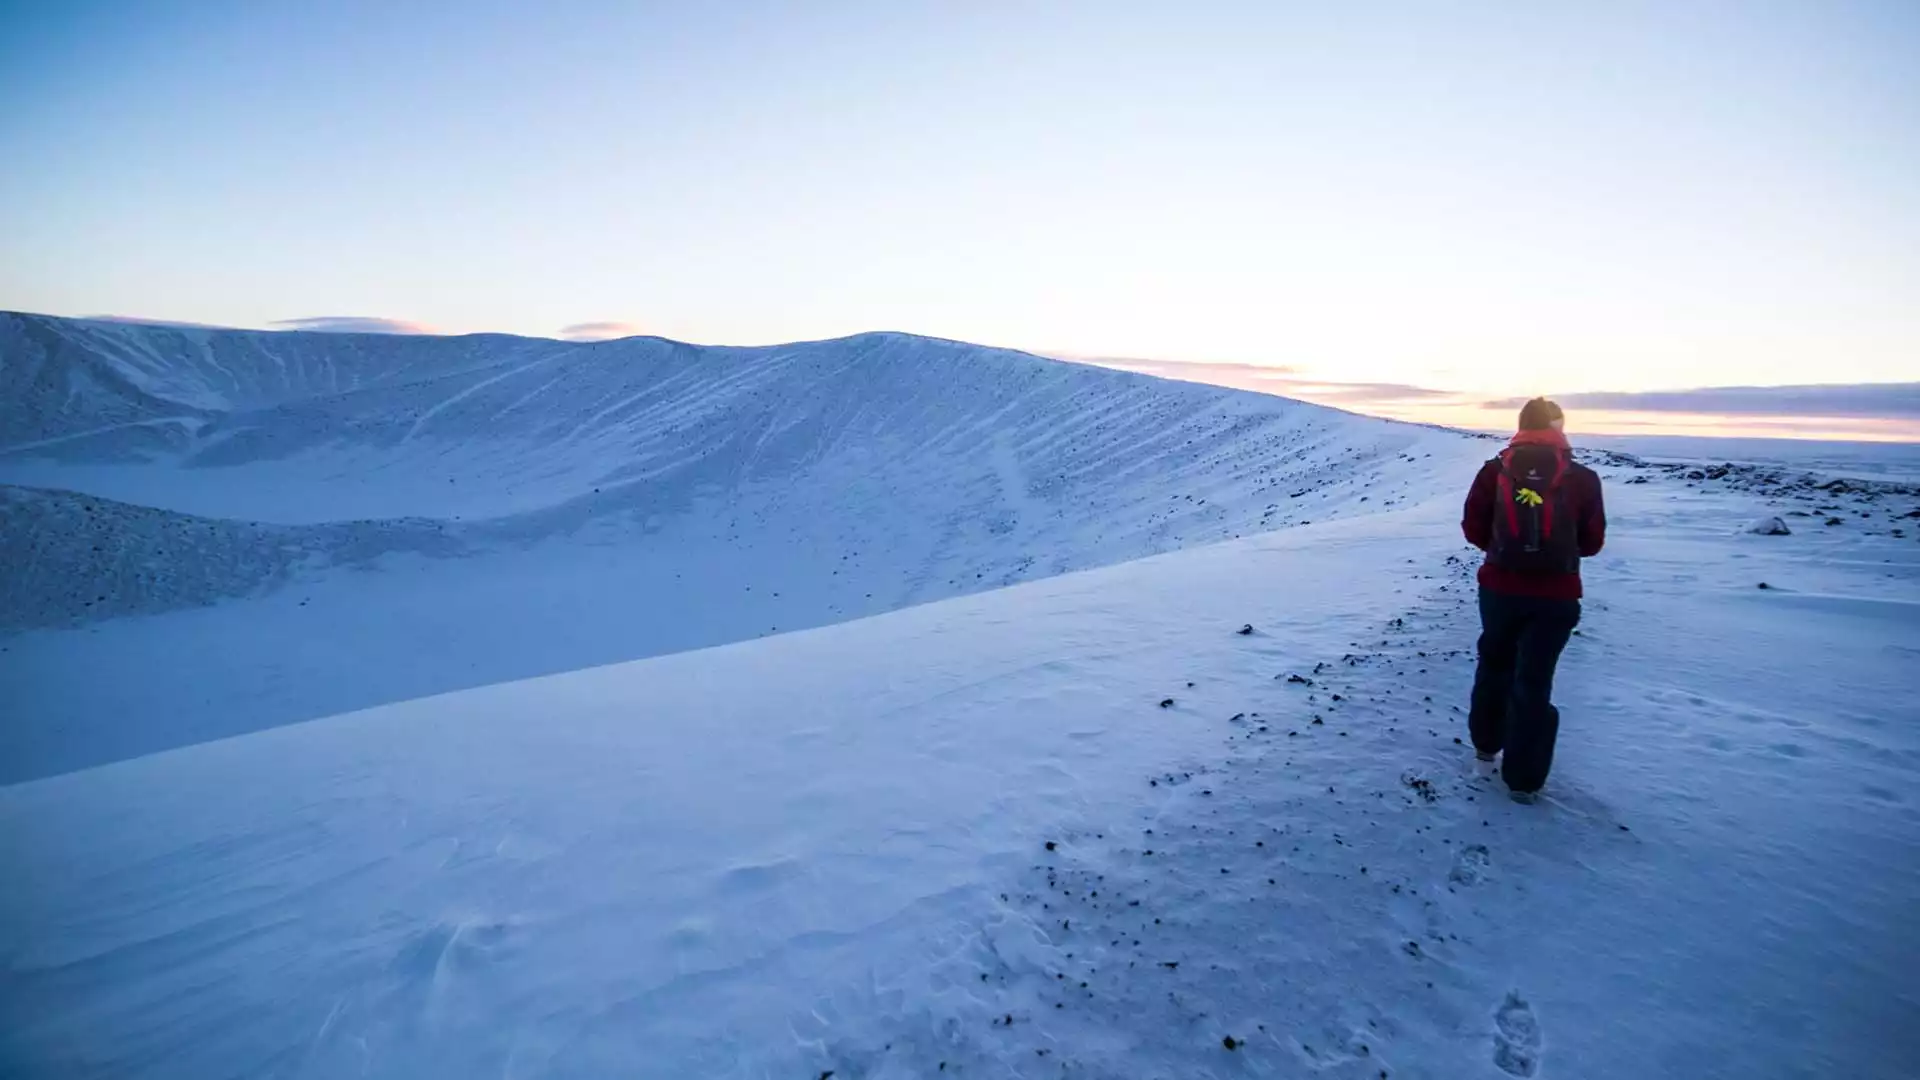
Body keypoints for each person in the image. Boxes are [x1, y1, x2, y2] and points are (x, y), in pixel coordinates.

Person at [1461, 397, 1606, 803]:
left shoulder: (1494, 471)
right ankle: (1524, 783)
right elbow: (1592, 543)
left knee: (1494, 665)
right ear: (1559, 427)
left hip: (1499, 589)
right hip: (1556, 594)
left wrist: (1506, 552)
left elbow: (1473, 528)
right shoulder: (1582, 477)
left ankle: (1485, 752)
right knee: (1535, 679)